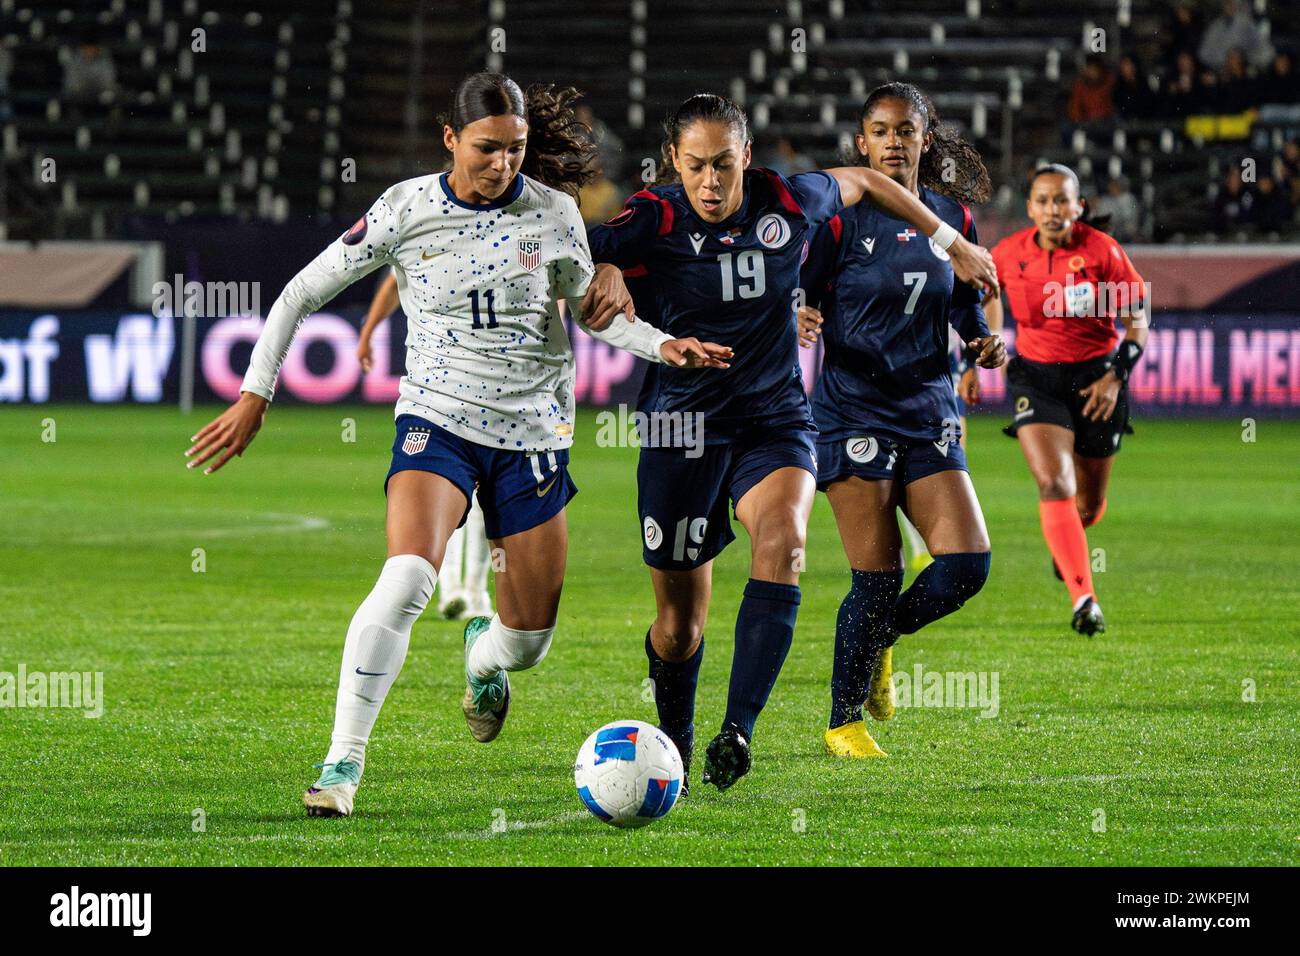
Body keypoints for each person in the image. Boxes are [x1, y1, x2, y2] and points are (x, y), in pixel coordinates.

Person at [185, 72, 730, 817]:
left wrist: (664, 346)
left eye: (515, 150)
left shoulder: (555, 213)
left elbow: (592, 313)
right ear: (449, 139)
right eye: (486, 149)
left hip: (533, 436)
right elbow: (299, 293)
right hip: (435, 422)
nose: (502, 164)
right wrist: (256, 392)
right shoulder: (405, 208)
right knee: (408, 577)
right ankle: (342, 764)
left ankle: (484, 655)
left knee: (530, 641)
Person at [582, 93, 998, 791]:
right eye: (695, 167)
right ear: (674, 164)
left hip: (774, 421)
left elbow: (864, 181)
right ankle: (674, 751)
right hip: (681, 428)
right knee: (679, 626)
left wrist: (950, 240)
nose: (710, 183)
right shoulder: (651, 216)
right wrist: (608, 267)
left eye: (723, 164)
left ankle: (736, 732)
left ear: (746, 156)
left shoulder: (789, 200)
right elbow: (577, 255)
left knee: (784, 541)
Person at [794, 83, 1005, 758]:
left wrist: (979, 342)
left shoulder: (952, 219)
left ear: (923, 138)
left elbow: (964, 307)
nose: (893, 141)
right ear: (862, 144)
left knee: (966, 566)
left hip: (928, 406)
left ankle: (880, 636)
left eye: (905, 130)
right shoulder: (839, 218)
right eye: (880, 132)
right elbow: (793, 284)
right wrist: (795, 311)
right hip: (853, 407)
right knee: (876, 577)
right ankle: (842, 721)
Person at [984, 164, 1150, 636]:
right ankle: (1085, 599)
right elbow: (986, 292)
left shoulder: (1103, 252)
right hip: (1034, 380)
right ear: (1030, 207)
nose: (1052, 209)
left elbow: (1138, 316)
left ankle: (1070, 544)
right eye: (1042, 200)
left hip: (1098, 379)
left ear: (1079, 206)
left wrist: (1117, 376)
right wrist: (987, 342)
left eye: (1062, 200)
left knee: (1089, 506)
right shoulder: (1009, 252)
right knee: (1053, 482)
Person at [357, 270, 493, 620]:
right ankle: (456, 590)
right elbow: (392, 281)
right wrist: (370, 330)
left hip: (493, 395)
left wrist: (369, 331)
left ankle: (473, 591)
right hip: (440, 398)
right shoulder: (434, 234)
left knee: (480, 504)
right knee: (451, 502)